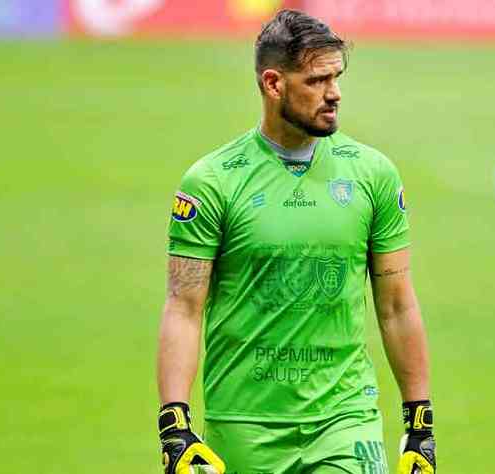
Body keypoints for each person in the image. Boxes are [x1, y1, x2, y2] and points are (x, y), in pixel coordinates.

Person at [156, 9, 435, 474]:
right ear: (273, 83)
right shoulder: (211, 182)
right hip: (244, 426)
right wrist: (175, 427)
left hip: (347, 423)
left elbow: (397, 306)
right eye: (317, 80)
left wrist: (419, 423)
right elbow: (183, 307)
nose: (335, 93)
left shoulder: (373, 175)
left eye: (337, 77)